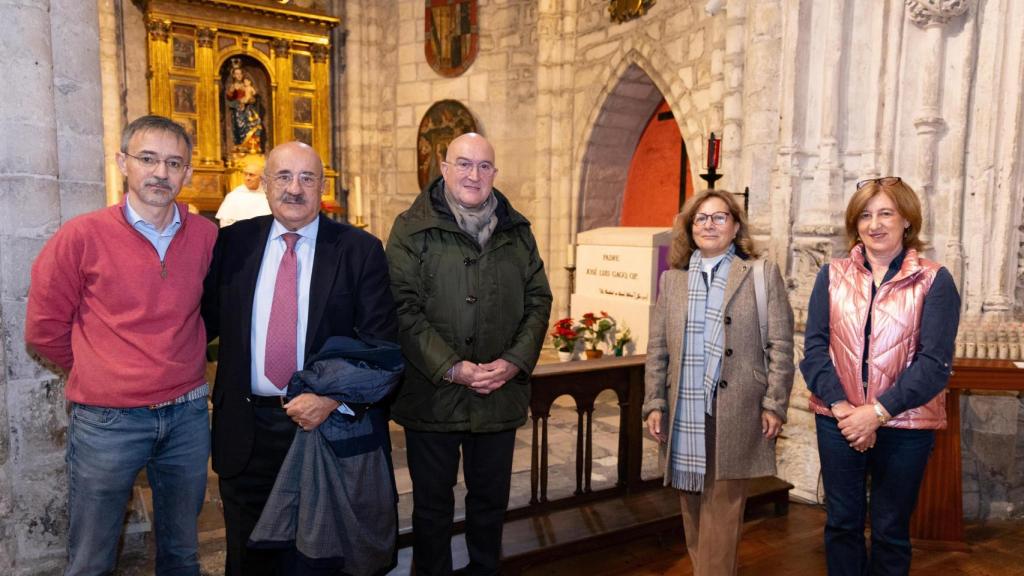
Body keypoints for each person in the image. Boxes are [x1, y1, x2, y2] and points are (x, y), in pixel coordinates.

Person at [25, 115, 217, 575]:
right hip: (108, 420)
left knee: (182, 553)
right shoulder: (82, 235)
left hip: (188, 414)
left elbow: (212, 311)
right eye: (148, 159)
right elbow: (44, 327)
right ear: (123, 163)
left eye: (174, 163)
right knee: (92, 556)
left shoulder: (207, 236)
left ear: (188, 173)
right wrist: (100, 367)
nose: (161, 173)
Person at [202, 141, 398, 575]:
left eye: (307, 178)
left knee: (316, 560)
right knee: (247, 558)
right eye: (284, 177)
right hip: (245, 432)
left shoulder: (358, 249)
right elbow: (199, 323)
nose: (295, 188)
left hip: (321, 429)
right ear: (265, 184)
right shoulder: (233, 244)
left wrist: (329, 400)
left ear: (322, 187)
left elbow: (382, 346)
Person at [386, 132, 552, 575]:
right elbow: (402, 308)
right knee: (432, 509)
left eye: (483, 166)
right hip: (432, 395)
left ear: (495, 173)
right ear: (443, 168)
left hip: (498, 394)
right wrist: (451, 367)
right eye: (463, 164)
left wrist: (514, 361)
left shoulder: (518, 231)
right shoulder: (411, 227)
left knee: (489, 506)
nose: (473, 175)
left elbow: (539, 300)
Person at [800, 177, 960, 575]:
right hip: (838, 421)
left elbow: (934, 364)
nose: (876, 224)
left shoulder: (934, 280)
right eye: (866, 216)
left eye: (886, 213)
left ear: (907, 220)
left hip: (905, 424)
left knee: (890, 530)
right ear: (855, 226)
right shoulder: (832, 275)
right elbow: (815, 349)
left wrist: (877, 413)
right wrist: (844, 411)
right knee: (841, 524)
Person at [642, 189, 794, 576]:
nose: (709, 225)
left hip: (737, 407)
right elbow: (658, 347)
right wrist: (654, 402)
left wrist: (774, 403)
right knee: (691, 507)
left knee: (723, 510)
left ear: (736, 226)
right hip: (684, 411)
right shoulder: (673, 281)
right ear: (690, 229)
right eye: (701, 219)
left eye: (719, 217)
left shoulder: (759, 273)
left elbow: (780, 344)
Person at [217, 156, 272, 227]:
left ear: (261, 177)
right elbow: (225, 222)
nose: (247, 178)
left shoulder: (270, 195)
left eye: (251, 175)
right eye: (245, 174)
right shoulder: (234, 195)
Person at [225, 64, 264, 153]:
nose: (239, 76)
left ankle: (251, 146)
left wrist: (250, 100)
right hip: (238, 111)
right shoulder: (233, 86)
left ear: (242, 75)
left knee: (251, 126)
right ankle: (240, 146)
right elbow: (229, 98)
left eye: (240, 74)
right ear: (234, 75)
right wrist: (235, 96)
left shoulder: (247, 85)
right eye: (237, 74)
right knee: (239, 127)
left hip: (248, 110)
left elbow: (254, 98)